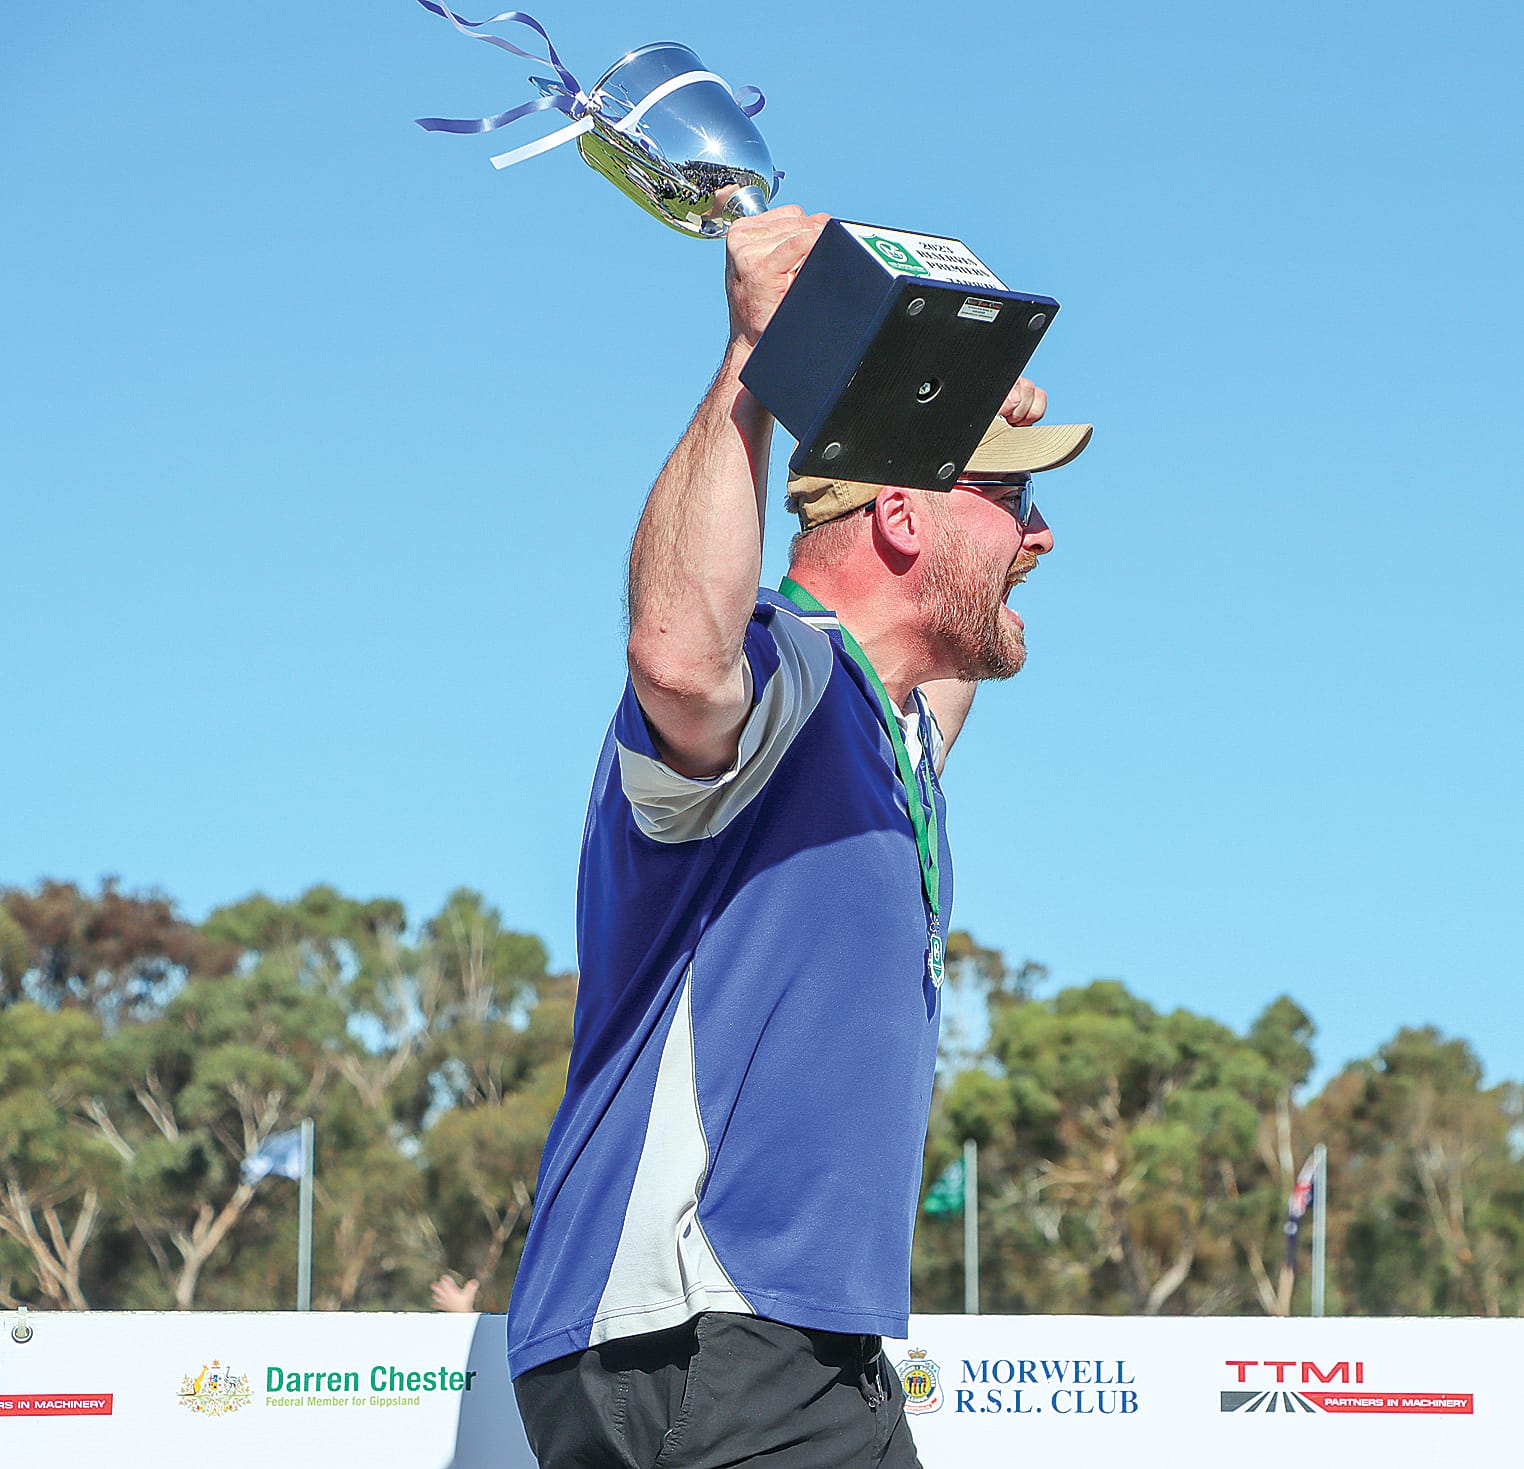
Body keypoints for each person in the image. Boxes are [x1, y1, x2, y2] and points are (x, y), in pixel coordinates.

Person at [508, 206, 1092, 1469]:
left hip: (814, 1348)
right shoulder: (785, 672)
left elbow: (959, 641)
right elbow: (673, 650)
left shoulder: (895, 737)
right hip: (695, 1334)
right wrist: (753, 363)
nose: (1043, 535)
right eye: (1016, 500)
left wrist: (966, 391)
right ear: (900, 517)